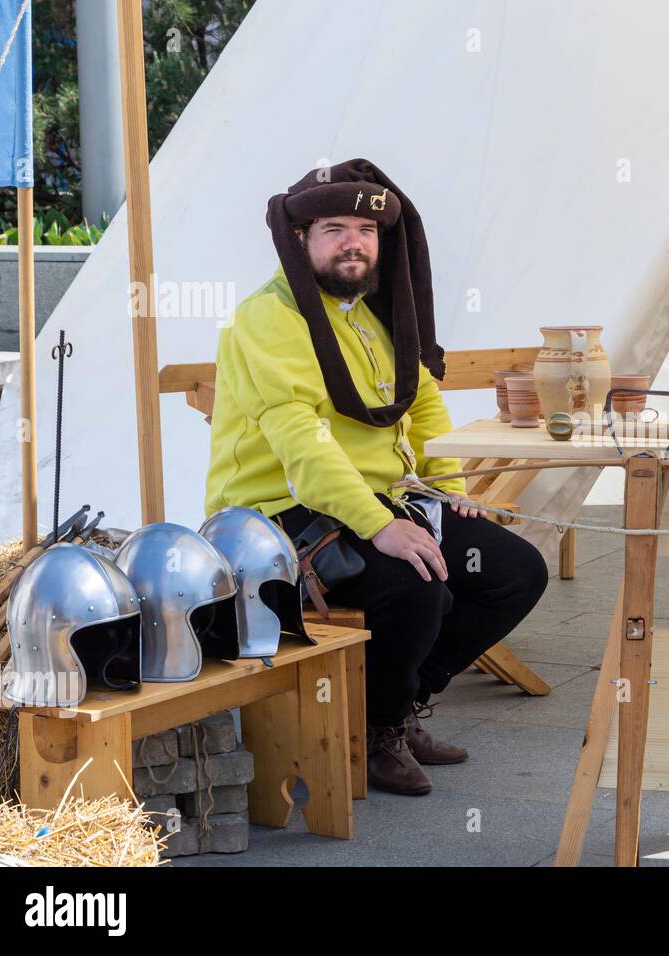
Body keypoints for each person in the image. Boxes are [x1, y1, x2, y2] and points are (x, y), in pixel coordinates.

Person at [204, 158, 548, 795]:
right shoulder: (268, 318)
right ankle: (373, 732)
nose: (352, 241)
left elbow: (420, 402)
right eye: (333, 228)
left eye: (366, 229)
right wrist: (380, 524)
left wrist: (447, 493)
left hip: (382, 501)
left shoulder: (371, 313)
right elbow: (304, 448)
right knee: (419, 588)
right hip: (279, 515)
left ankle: (397, 706)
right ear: (300, 238)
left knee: (514, 572)